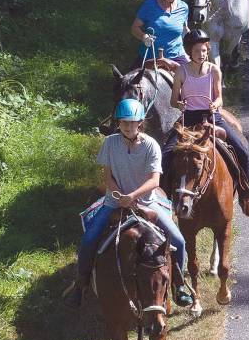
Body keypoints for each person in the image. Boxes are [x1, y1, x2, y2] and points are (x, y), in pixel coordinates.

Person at [63, 99, 193, 308]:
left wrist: (132, 196)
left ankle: (179, 287)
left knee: (179, 241)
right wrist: (119, 196)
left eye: (132, 123)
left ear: (140, 122)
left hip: (146, 203)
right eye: (124, 123)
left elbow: (154, 180)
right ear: (118, 123)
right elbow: (107, 177)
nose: (128, 126)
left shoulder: (151, 145)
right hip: (114, 202)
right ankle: (82, 283)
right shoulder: (109, 143)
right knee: (88, 240)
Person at [163, 29, 249, 219]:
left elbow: (219, 98)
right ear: (189, 52)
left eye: (203, 50)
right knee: (166, 154)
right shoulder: (181, 72)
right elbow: (173, 100)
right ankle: (164, 200)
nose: (201, 54)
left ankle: (246, 196)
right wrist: (180, 104)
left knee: (241, 149)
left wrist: (214, 104)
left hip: (211, 117)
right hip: (188, 118)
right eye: (196, 51)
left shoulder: (213, 70)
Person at [130, 0, 190, 65]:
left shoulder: (184, 7)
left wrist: (191, 45)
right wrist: (144, 37)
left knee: (191, 78)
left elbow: (184, 29)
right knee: (130, 79)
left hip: (176, 56)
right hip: (150, 55)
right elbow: (134, 28)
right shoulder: (149, 5)